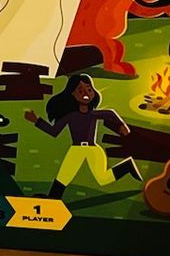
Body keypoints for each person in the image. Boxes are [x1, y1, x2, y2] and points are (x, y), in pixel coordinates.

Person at [26, 73, 140, 202]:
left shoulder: (93, 114)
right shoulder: (70, 116)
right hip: (76, 150)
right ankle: (53, 198)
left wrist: (121, 125)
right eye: (80, 90)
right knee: (63, 176)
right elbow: (54, 131)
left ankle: (126, 166)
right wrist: (36, 121)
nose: (85, 93)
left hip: (93, 150)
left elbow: (110, 113)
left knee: (102, 178)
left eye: (89, 89)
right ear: (72, 94)